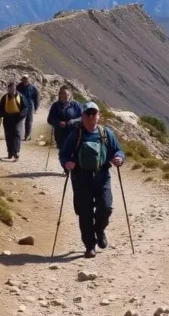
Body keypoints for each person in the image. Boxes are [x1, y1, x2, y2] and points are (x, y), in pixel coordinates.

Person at [59, 102, 125, 258]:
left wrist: (118, 158)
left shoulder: (106, 133)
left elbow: (118, 150)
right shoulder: (76, 134)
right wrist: (66, 163)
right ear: (82, 116)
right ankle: (90, 245)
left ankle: (100, 229)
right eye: (87, 114)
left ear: (98, 116)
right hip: (80, 177)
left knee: (106, 207)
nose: (90, 116)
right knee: (85, 212)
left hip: (102, 176)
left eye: (93, 113)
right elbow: (64, 154)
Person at [0, 81, 31, 160]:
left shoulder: (20, 96)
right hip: (7, 118)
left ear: (15, 88)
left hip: (17, 118)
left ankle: (16, 152)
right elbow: (0, 109)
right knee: (8, 135)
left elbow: (26, 107)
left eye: (13, 88)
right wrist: (2, 115)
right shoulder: (4, 97)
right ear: (8, 89)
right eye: (10, 89)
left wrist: (21, 115)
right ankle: (10, 152)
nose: (12, 90)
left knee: (16, 134)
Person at [46, 85, 82, 150]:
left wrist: (72, 122)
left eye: (67, 94)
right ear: (59, 95)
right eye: (62, 94)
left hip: (74, 134)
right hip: (60, 135)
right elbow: (50, 119)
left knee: (73, 156)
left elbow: (82, 118)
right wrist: (58, 123)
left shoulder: (76, 105)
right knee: (63, 155)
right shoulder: (55, 105)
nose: (65, 96)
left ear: (70, 95)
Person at [17, 75, 40, 141]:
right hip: (20, 106)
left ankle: (27, 135)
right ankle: (18, 135)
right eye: (24, 78)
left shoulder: (33, 88)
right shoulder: (18, 87)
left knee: (29, 121)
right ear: (22, 79)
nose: (25, 80)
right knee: (19, 120)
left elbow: (36, 98)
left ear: (28, 79)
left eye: (26, 78)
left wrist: (36, 107)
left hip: (30, 106)